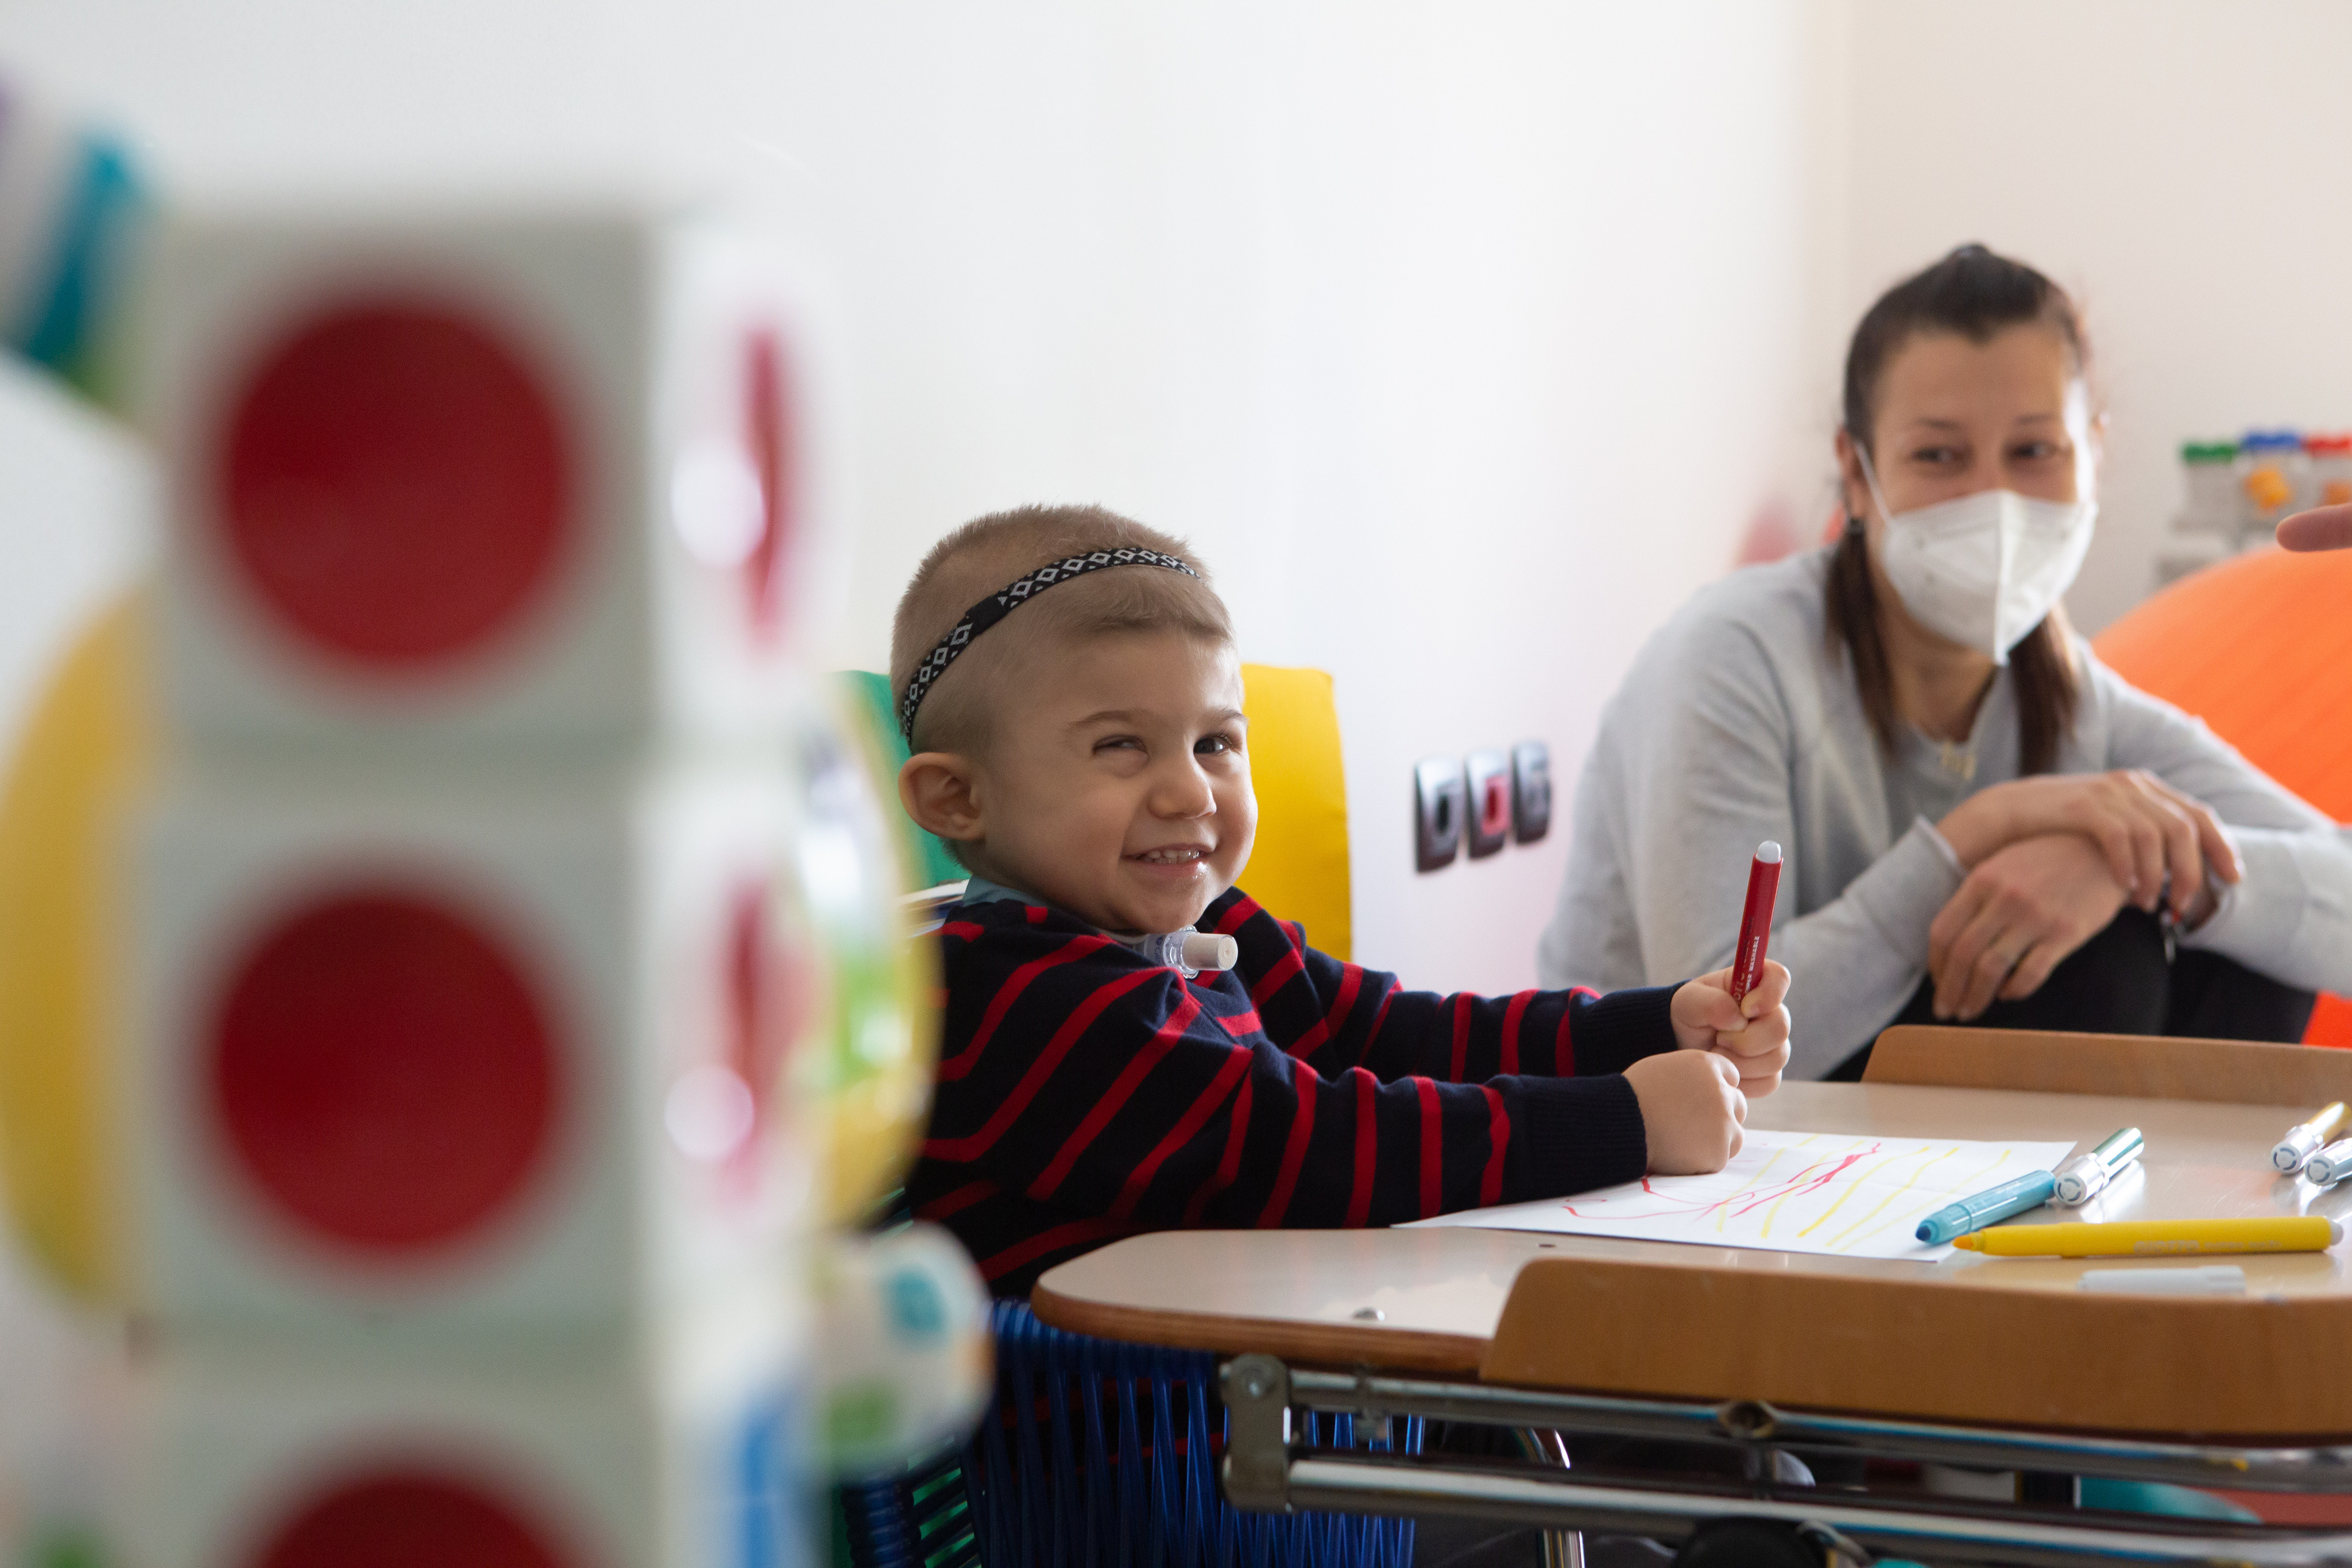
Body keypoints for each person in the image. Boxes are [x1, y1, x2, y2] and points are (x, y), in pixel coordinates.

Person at [889, 504, 1790, 1296]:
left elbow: (1400, 1033)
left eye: (1215, 743)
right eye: (1121, 746)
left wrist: (1652, 1027)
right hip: (1149, 1435)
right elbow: (1308, 1147)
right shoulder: (1008, 998)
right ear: (957, 798)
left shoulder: (1212, 926)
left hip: (1284, 1395)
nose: (1191, 792)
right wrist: (1624, 1120)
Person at [1541, 245, 2352, 1081]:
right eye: (1938, 456)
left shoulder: (2080, 701)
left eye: (2034, 451)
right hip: (1667, 1120)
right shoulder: (1732, 659)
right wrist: (1974, 838)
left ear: (2093, 456)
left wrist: (2132, 868)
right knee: (2111, 967)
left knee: (2247, 940)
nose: (1992, 498)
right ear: (1856, 473)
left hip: (1896, 1109)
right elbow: (1708, 1034)